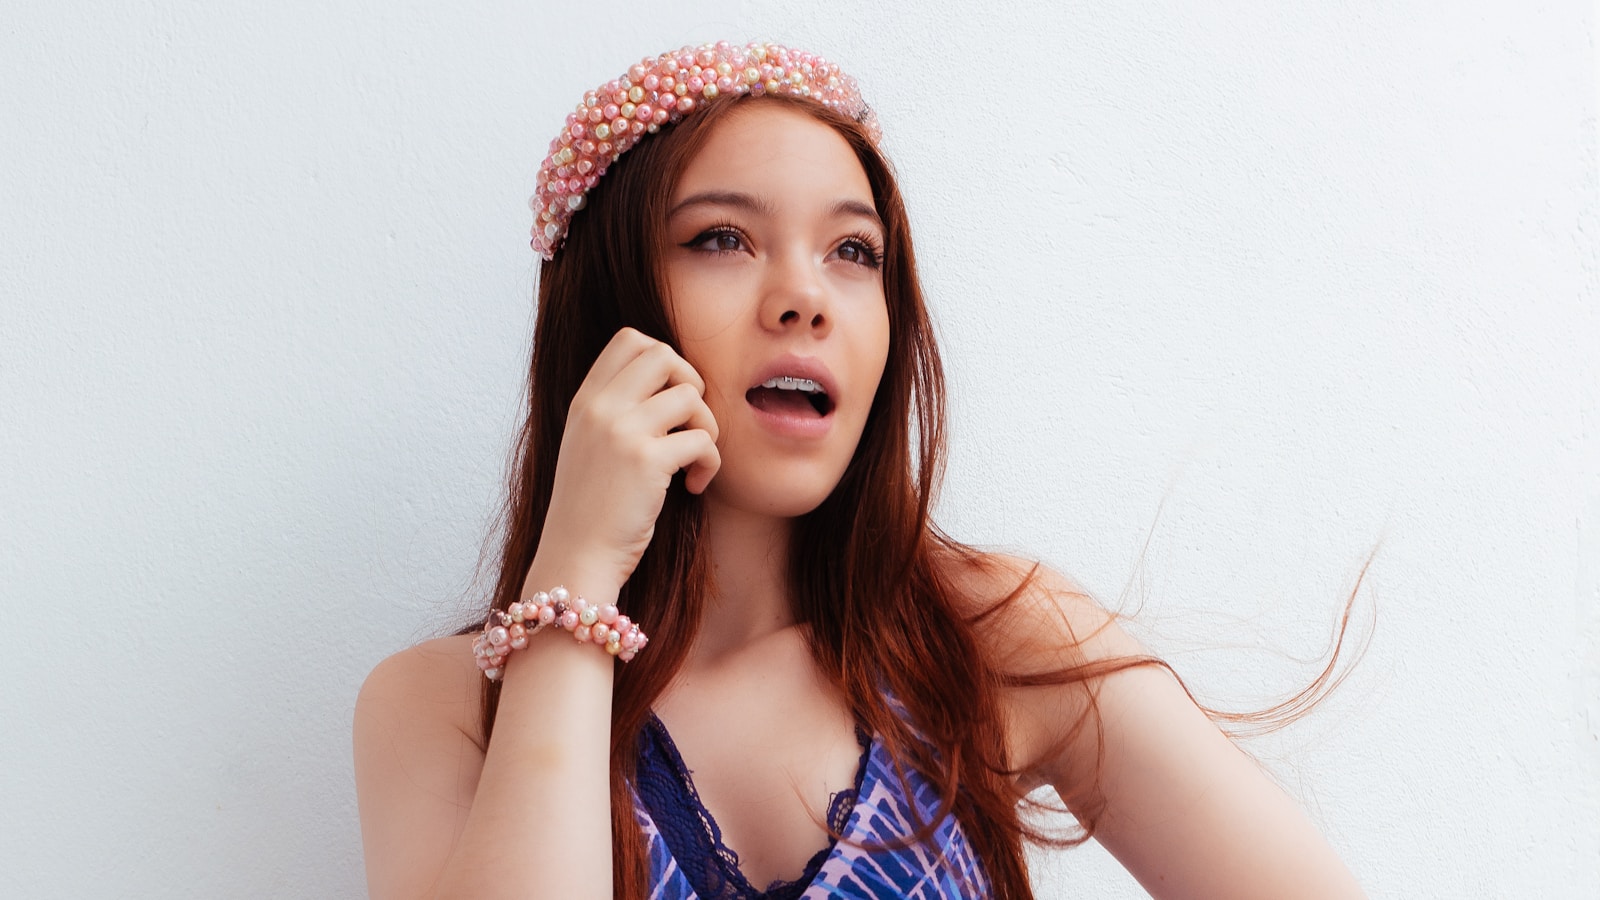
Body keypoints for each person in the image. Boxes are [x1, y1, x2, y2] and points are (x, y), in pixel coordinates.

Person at [352, 40, 1367, 899]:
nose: (806, 297)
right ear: (608, 308)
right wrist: (575, 572)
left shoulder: (990, 640)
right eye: (722, 239)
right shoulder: (442, 706)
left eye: (853, 250)